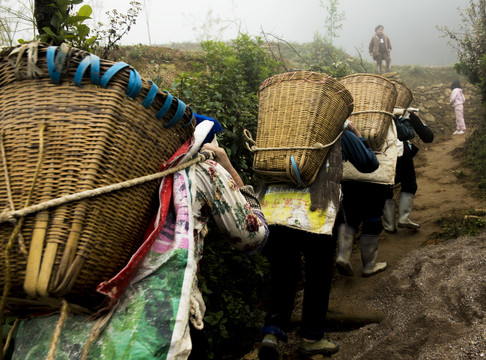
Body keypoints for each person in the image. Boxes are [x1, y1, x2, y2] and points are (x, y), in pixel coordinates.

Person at [10, 117, 269, 360]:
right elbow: (250, 237)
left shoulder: (87, 168)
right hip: (144, 334)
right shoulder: (204, 169)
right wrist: (237, 179)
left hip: (43, 339)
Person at [258, 120, 378, 359]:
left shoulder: (278, 128)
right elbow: (368, 164)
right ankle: (312, 337)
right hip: (317, 210)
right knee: (319, 273)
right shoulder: (335, 128)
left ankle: (272, 333)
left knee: (284, 271)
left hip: (275, 208)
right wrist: (355, 134)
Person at [335, 117, 399, 278]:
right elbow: (404, 134)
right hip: (377, 177)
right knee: (372, 219)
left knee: (350, 217)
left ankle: (343, 256)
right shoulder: (386, 119)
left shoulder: (343, 123)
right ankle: (369, 265)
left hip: (349, 177)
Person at [383, 110, 434, 232]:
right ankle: (404, 218)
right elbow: (428, 137)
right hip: (401, 154)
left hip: (379, 155)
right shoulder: (406, 113)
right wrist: (418, 119)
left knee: (386, 188)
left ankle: (389, 225)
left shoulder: (371, 112)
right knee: (409, 185)